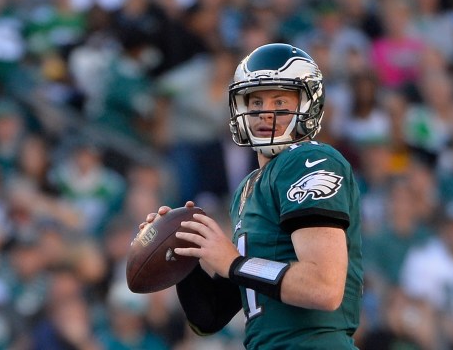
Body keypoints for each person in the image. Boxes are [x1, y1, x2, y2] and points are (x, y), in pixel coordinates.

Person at [140, 43, 363, 349]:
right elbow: (210, 316)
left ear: (308, 104)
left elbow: (323, 287)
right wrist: (181, 254)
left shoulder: (308, 159)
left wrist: (232, 262)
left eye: (280, 100)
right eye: (255, 100)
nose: (265, 112)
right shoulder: (248, 188)